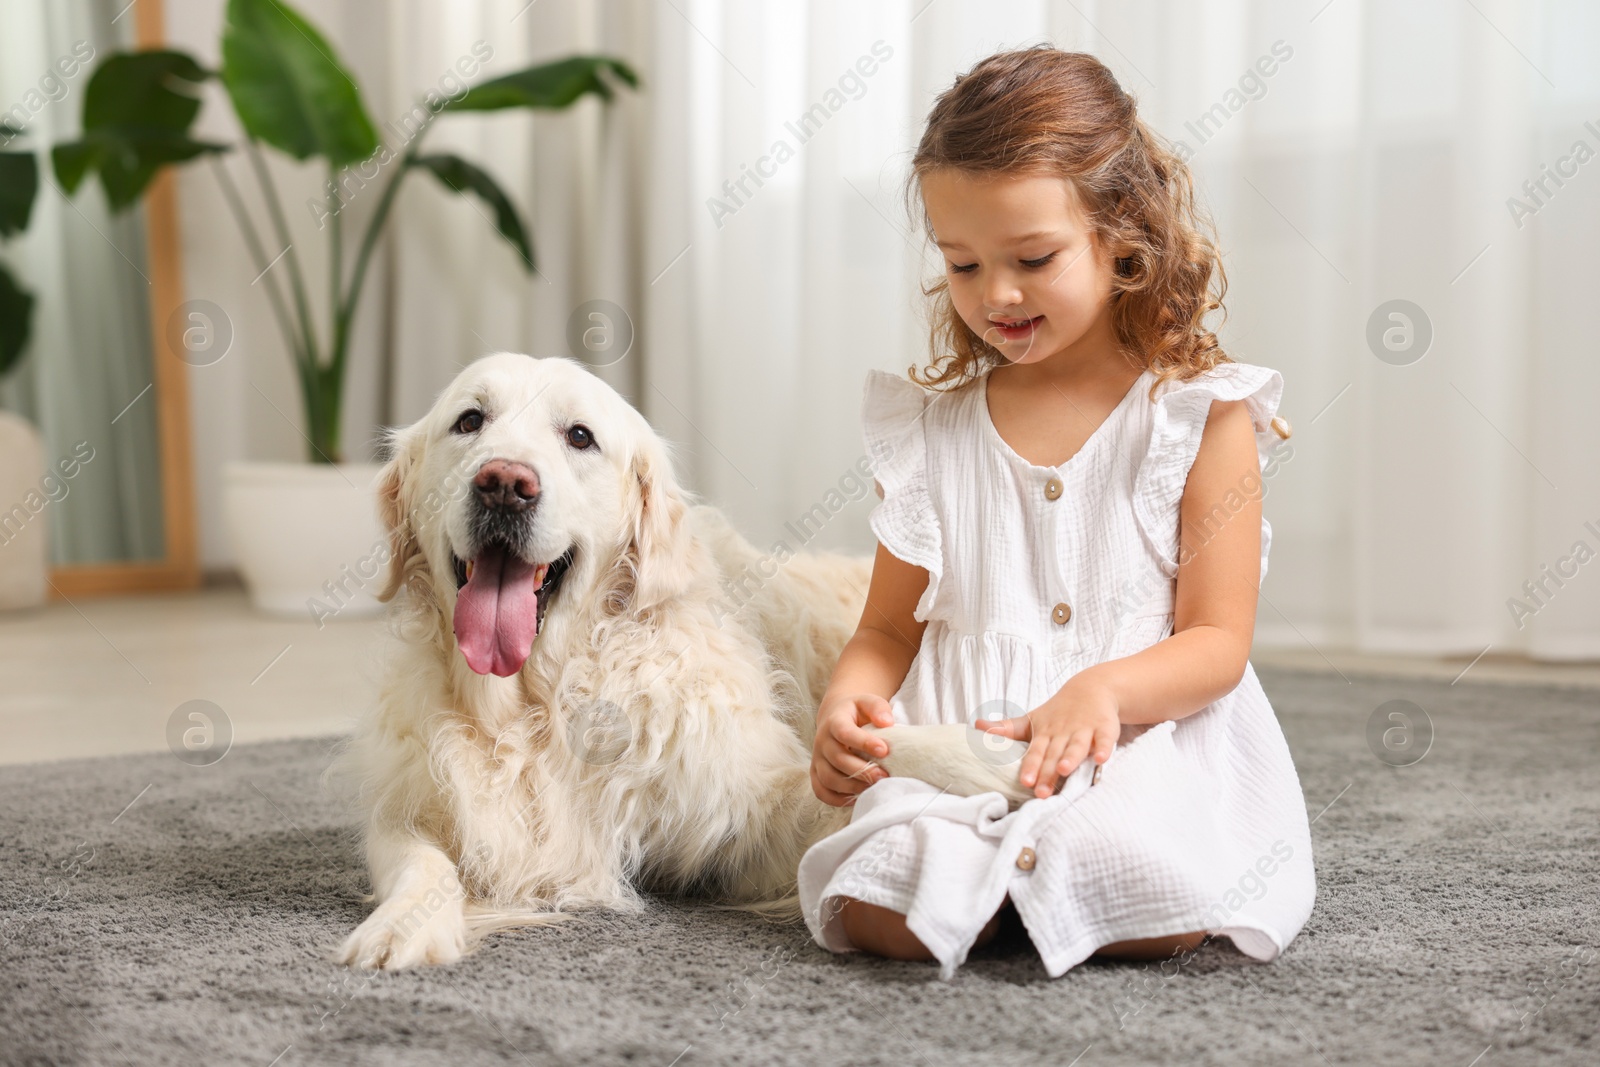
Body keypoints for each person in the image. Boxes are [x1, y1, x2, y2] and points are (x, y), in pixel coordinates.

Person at [798, 46, 1315, 979]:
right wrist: (847, 703)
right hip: (966, 750)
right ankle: (998, 881)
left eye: (1033, 258)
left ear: (1121, 234)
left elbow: (1216, 641)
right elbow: (885, 626)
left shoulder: (1199, 416)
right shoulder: (931, 434)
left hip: (1140, 742)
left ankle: (1037, 885)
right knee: (875, 900)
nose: (995, 294)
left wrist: (1103, 691)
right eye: (962, 264)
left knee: (1138, 883)